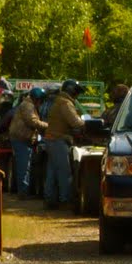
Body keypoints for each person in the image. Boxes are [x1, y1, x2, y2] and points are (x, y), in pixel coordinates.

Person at [43, 80, 86, 208]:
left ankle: (49, 199)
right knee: (64, 172)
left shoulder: (59, 101)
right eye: (77, 92)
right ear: (72, 91)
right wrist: (86, 123)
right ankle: (64, 200)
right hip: (58, 140)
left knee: (52, 172)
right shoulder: (65, 103)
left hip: (51, 139)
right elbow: (75, 122)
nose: (77, 95)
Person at [7, 87, 48, 197]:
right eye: (41, 100)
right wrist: (48, 125)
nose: (42, 103)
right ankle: (23, 192)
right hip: (21, 138)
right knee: (23, 166)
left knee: (25, 166)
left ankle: (24, 190)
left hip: (23, 138)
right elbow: (32, 121)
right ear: (37, 98)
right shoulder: (28, 105)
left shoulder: (28, 104)